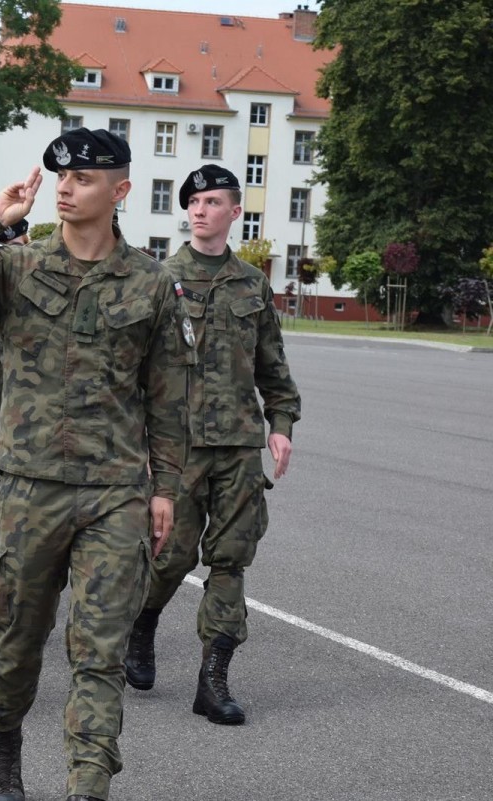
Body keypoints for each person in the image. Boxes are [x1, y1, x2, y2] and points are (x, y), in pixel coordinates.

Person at [0, 127, 193, 801]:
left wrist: (166, 489)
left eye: (84, 178)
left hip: (116, 493)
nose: (65, 187)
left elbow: (170, 399)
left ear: (119, 190)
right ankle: (3, 748)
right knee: (14, 641)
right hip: (31, 487)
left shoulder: (152, 285)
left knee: (99, 652)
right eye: (60, 176)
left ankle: (88, 782)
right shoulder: (16, 268)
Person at [123, 164, 301, 725]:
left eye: (212, 200)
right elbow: (132, 370)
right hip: (178, 450)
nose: (200, 209)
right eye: (193, 201)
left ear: (234, 211)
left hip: (239, 449)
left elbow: (273, 369)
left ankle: (213, 680)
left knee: (230, 561)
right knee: (170, 557)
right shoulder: (158, 279)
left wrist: (281, 425)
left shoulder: (252, 284)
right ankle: (142, 624)